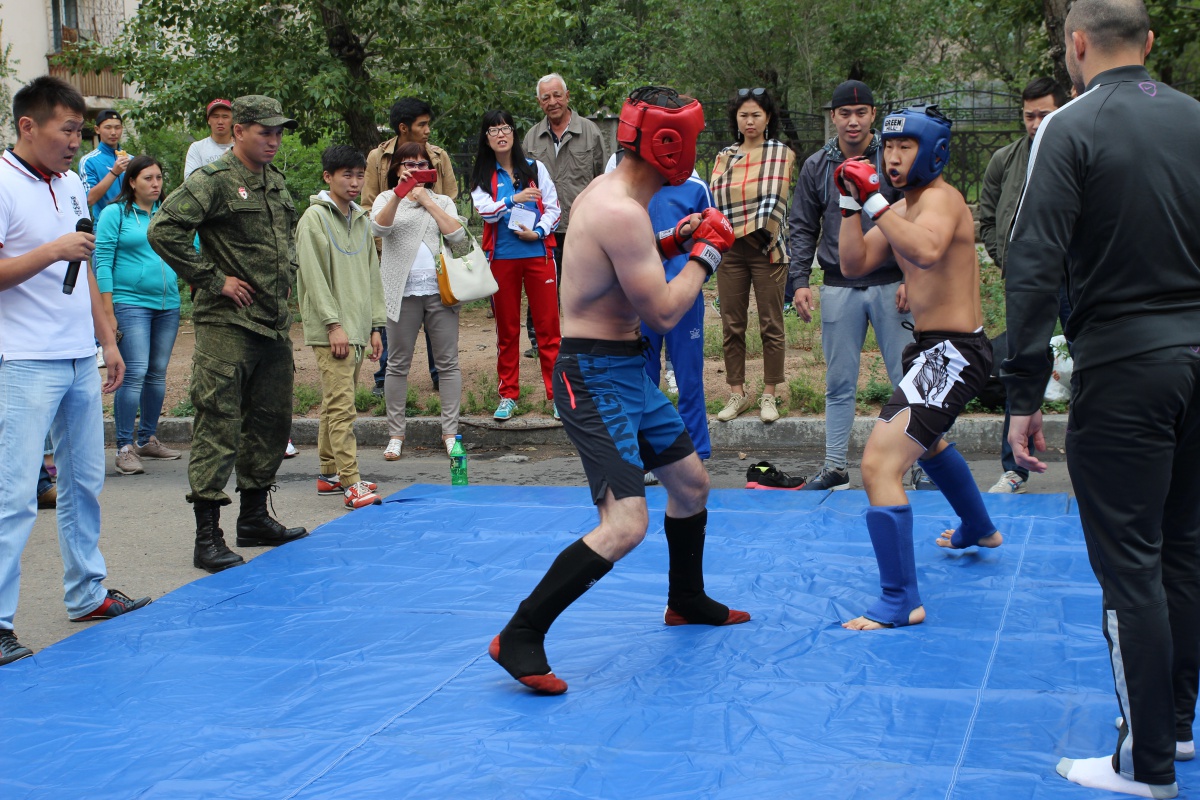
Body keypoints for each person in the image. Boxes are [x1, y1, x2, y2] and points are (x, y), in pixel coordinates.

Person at [489, 86, 748, 696]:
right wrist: (707, 254)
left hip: (627, 370)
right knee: (626, 522)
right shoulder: (621, 210)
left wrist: (675, 241)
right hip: (593, 376)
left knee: (690, 484)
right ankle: (520, 633)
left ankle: (685, 599)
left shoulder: (614, 197)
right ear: (670, 144)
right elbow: (663, 312)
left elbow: (621, 267)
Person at [1003, 2, 1199, 796]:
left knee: (1132, 567)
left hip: (1127, 365)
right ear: (1148, 42)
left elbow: (1032, 262)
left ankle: (1146, 765)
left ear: (1077, 44)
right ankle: (1174, 728)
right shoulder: (1195, 118)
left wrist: (1023, 390)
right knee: (1183, 550)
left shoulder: (1070, 126)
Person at [0, 76, 152, 666]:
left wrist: (107, 340)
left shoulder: (68, 186)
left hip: (77, 357)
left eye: (79, 131)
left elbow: (85, 266)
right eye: (66, 130)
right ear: (27, 126)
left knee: (84, 481)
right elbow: (53, 256)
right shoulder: (3, 182)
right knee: (15, 495)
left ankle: (87, 592)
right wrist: (51, 252)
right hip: (22, 361)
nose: (75, 142)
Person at [833, 104, 1003, 633]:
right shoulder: (903, 206)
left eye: (904, 146)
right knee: (923, 442)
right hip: (931, 348)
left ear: (932, 152)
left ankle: (899, 600)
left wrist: (876, 201)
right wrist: (850, 203)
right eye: (887, 147)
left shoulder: (941, 200)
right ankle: (979, 527)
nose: (892, 156)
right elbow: (853, 264)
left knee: (879, 464)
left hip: (953, 352)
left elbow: (927, 250)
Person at [147, 95, 308, 574]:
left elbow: (284, 239)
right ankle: (207, 536)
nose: (274, 141)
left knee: (271, 422)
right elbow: (164, 229)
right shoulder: (213, 179)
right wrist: (214, 279)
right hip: (227, 323)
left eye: (278, 133)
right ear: (238, 131)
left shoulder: (274, 181)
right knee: (218, 424)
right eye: (264, 132)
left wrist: (287, 279)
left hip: (272, 323)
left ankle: (253, 518)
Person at [788, 81, 915, 491]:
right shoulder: (817, 166)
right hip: (838, 285)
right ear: (834, 117)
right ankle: (835, 466)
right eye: (845, 113)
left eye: (861, 113)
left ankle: (917, 467)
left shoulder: (891, 159)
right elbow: (802, 226)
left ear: (873, 115)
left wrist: (912, 276)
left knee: (907, 380)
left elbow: (913, 216)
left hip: (892, 283)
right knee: (839, 382)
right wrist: (799, 280)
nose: (853, 121)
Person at [977, 76, 1070, 495]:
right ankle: (1014, 469)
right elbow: (987, 218)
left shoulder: (1076, 151)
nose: (1035, 124)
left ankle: (1098, 464)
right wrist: (1009, 262)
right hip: (1026, 281)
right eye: (1029, 116)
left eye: (1044, 115)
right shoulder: (1004, 159)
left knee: (1094, 365)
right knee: (1021, 367)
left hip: (1075, 281)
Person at [604, 150, 715, 477]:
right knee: (641, 378)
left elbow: (713, 237)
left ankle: (695, 454)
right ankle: (646, 456)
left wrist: (694, 278)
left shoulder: (695, 186)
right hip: (640, 296)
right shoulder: (629, 185)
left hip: (683, 298)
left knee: (688, 378)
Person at [295, 145, 385, 510]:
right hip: (332, 330)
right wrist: (333, 324)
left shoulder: (362, 219)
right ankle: (350, 482)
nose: (354, 182)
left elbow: (372, 275)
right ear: (327, 177)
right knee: (343, 407)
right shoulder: (313, 219)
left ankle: (329, 473)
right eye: (346, 175)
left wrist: (375, 325)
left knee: (335, 402)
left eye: (360, 175)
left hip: (359, 326)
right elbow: (313, 277)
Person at [371, 143, 470, 461]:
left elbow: (458, 237)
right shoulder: (386, 198)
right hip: (401, 292)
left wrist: (427, 199)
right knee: (397, 364)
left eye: (421, 163)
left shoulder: (442, 201)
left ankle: (450, 433)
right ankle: (396, 435)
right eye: (408, 163)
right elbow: (378, 228)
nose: (415, 168)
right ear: (397, 169)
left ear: (431, 169)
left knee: (448, 363)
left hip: (441, 292)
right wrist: (400, 195)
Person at [710, 87, 796, 424]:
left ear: (768, 118)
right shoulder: (725, 156)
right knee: (732, 324)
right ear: (735, 118)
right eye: (743, 115)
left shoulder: (780, 154)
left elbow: (775, 199)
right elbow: (717, 199)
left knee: (771, 324)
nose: (749, 121)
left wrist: (755, 226)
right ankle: (737, 393)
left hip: (767, 246)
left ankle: (769, 394)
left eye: (756, 115)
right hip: (731, 248)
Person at [94, 155, 183, 476]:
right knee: (134, 372)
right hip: (130, 303)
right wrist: (107, 311)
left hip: (168, 304)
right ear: (131, 182)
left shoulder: (169, 214)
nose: (155, 184)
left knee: (157, 373)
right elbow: (102, 261)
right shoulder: (115, 213)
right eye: (148, 178)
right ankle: (123, 446)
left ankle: (146, 439)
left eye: (159, 177)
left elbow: (192, 248)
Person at [470, 110, 562, 421]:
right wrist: (513, 199)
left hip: (538, 255)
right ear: (486, 138)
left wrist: (539, 231)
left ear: (513, 132)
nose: (501, 134)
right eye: (493, 130)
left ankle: (558, 396)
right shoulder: (483, 176)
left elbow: (554, 208)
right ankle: (508, 395)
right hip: (502, 259)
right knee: (507, 331)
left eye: (506, 128)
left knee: (549, 329)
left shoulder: (535, 168)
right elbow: (485, 212)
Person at [364, 97, 455, 399]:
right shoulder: (378, 157)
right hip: (390, 245)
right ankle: (383, 379)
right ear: (404, 127)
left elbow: (449, 197)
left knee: (438, 315)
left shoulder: (439, 156)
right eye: (422, 124)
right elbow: (369, 204)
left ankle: (438, 375)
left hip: (433, 246)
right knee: (392, 320)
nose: (428, 130)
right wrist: (384, 246)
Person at [522, 73, 607, 359]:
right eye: (546, 97)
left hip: (581, 225)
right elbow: (523, 183)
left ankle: (582, 338)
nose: (553, 102)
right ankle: (539, 340)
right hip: (544, 228)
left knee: (583, 285)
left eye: (557, 95)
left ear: (567, 96)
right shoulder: (532, 137)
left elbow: (602, 178)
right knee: (543, 285)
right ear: (539, 102)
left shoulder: (590, 132)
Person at [79, 109, 130, 217]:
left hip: (131, 223)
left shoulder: (131, 159)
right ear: (97, 129)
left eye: (117, 127)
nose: (113, 132)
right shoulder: (89, 161)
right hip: (105, 223)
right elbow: (89, 199)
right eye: (108, 127)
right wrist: (114, 172)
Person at [184, 98, 235, 179]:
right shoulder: (197, 148)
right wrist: (221, 163)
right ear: (208, 120)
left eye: (225, 117)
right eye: (215, 117)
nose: (220, 122)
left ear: (232, 120)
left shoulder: (242, 147)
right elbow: (189, 181)